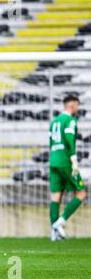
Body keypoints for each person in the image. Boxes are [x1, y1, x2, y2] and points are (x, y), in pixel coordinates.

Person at [49, 95, 86, 241]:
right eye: (77, 105)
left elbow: (51, 143)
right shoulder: (70, 120)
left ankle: (54, 234)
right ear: (72, 105)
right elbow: (69, 139)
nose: (77, 109)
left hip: (53, 160)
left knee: (56, 196)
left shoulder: (54, 121)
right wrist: (74, 160)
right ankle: (60, 222)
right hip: (65, 161)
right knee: (81, 193)